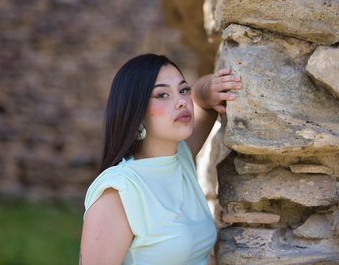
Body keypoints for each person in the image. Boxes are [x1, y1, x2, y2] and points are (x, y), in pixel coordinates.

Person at [79, 54, 242, 265]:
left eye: (183, 90)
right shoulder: (119, 190)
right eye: (163, 95)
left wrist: (211, 87)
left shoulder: (180, 158)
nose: (182, 102)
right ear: (136, 113)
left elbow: (202, 100)